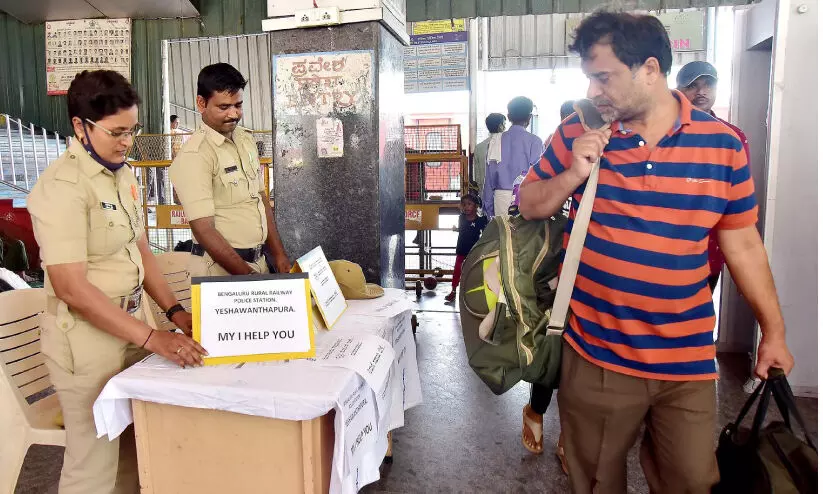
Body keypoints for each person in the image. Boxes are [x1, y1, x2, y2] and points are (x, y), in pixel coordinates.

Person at [519, 12, 793, 493]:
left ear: (650, 68)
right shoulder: (578, 131)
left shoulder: (723, 145)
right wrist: (572, 175)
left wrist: (773, 332)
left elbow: (743, 244)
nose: (595, 89)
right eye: (589, 77)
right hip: (597, 354)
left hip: (685, 362)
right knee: (598, 481)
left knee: (690, 482)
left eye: (604, 76)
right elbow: (530, 203)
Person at [26, 70, 207, 494]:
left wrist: (176, 314)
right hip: (85, 341)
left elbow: (141, 251)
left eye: (133, 130)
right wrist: (151, 338)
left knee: (132, 449)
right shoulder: (63, 187)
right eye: (116, 132)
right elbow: (71, 287)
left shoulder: (122, 175)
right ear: (80, 126)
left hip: (128, 328)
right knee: (93, 463)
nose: (127, 141)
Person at [170, 63, 291, 277]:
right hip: (219, 273)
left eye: (238, 105)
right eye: (224, 107)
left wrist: (279, 255)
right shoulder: (195, 156)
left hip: (259, 263)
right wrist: (248, 278)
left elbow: (260, 199)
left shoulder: (245, 140)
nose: (233, 114)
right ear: (201, 103)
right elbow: (204, 229)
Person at [519, 99, 578, 471]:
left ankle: (571, 433)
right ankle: (536, 409)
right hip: (565, 261)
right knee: (554, 342)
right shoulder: (564, 141)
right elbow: (531, 197)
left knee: (581, 361)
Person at [677, 61, 751, 293]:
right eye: (692, 85)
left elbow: (737, 202)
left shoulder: (732, 138)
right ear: (677, 90)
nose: (701, 91)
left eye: (708, 84)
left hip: (708, 252)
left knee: (696, 321)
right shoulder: (663, 133)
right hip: (663, 251)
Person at [482, 96, 543, 216]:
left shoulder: (495, 141)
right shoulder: (535, 141)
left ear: (509, 117)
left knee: (503, 234)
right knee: (525, 234)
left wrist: (488, 208)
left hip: (500, 200)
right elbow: (538, 177)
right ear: (529, 118)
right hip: (525, 199)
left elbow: (488, 180)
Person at [445, 194, 487, 303]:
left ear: (476, 206)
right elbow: (463, 229)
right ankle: (453, 291)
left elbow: (486, 233)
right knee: (457, 272)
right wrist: (456, 229)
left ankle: (474, 293)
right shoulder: (461, 217)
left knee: (474, 272)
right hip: (461, 250)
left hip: (474, 252)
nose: (466, 207)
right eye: (464, 204)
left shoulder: (481, 220)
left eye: (469, 204)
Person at [473, 113, 507, 194]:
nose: (505, 127)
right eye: (504, 124)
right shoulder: (506, 145)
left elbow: (477, 175)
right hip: (503, 191)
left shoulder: (479, 147)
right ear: (500, 126)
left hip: (484, 191)